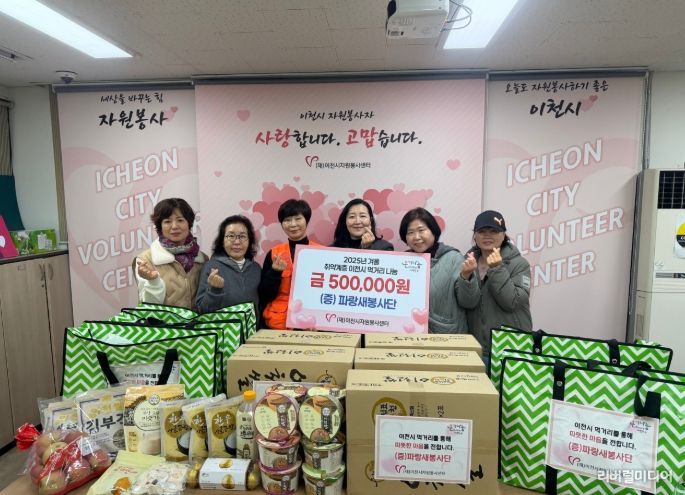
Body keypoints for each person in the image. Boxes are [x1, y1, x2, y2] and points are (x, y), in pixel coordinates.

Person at [456, 210, 532, 357]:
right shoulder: (467, 263)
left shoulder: (519, 264)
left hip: (511, 348)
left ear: (503, 235)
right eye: (482, 231)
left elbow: (512, 302)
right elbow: (467, 303)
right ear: (475, 236)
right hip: (476, 347)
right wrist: (466, 276)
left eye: (494, 231)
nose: (487, 235)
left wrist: (497, 268)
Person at [399, 207, 471, 334]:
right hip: (409, 334)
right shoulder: (400, 261)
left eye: (421, 230)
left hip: (446, 336)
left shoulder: (454, 258)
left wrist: (466, 277)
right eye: (410, 232)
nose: (416, 237)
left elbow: (469, 302)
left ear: (433, 231)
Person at [134, 198, 207, 310]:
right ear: (160, 227)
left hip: (197, 321)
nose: (174, 226)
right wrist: (153, 282)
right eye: (167, 221)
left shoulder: (203, 259)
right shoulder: (145, 260)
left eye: (180, 220)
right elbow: (148, 308)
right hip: (162, 322)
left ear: (189, 223)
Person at [259, 199, 320, 329]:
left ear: (307, 220)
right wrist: (274, 273)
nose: (293, 224)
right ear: (282, 224)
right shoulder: (274, 253)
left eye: (298, 219)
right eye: (287, 220)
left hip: (312, 321)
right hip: (278, 322)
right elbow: (264, 295)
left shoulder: (322, 253)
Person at [195, 215, 261, 314]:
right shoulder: (211, 267)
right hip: (222, 324)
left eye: (242, 236)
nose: (237, 242)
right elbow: (202, 310)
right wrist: (214, 290)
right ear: (222, 240)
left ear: (249, 241)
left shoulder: (256, 268)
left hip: (252, 324)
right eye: (231, 236)